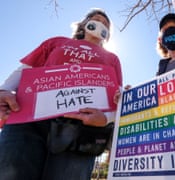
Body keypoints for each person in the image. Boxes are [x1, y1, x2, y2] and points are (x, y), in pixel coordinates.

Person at [0, 8, 122, 180]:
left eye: (105, 23)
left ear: (107, 33)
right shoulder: (57, 42)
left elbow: (116, 99)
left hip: (81, 129)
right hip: (29, 120)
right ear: (84, 24)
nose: (100, 22)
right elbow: (27, 69)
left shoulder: (112, 58)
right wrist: (4, 90)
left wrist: (106, 119)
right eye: (95, 19)